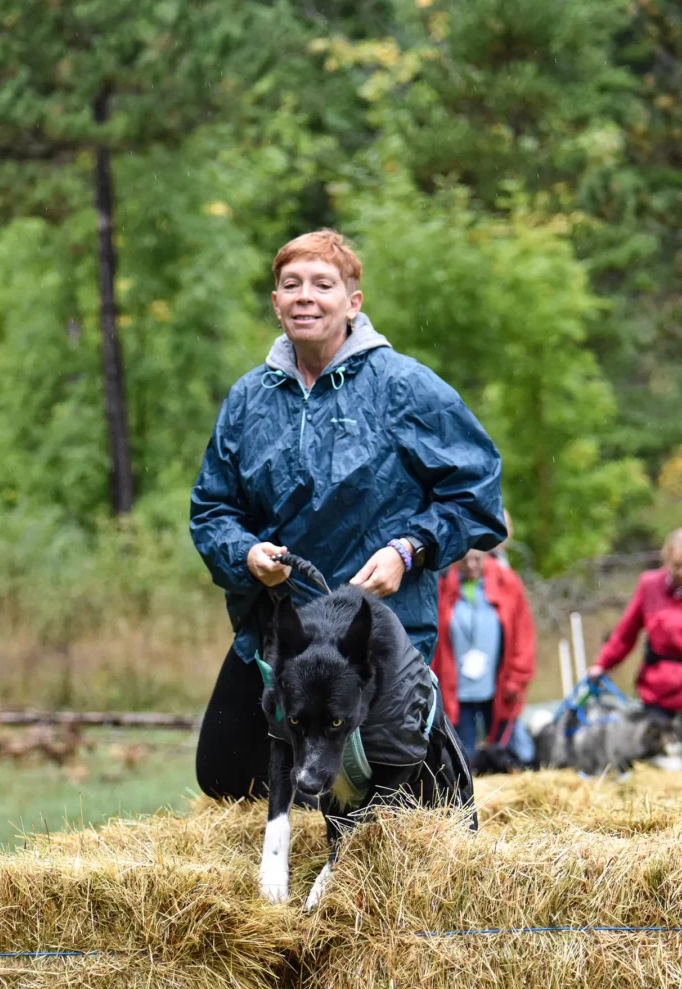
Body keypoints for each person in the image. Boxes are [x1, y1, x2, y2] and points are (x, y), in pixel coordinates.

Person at [190, 228, 505, 800]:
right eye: (291, 285)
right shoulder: (247, 399)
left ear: (353, 302)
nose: (305, 297)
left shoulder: (404, 386)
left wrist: (408, 550)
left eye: (322, 284)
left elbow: (477, 492)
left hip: (378, 634)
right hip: (284, 634)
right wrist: (246, 554)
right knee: (224, 773)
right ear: (276, 303)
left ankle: (408, 786)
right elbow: (213, 509)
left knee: (399, 803)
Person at [431, 549, 535, 761]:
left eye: (477, 559)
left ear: (487, 555)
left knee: (509, 754)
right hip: (458, 694)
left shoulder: (507, 582)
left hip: (499, 690)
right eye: (464, 560)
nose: (471, 566)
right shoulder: (442, 586)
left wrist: (518, 678)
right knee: (463, 756)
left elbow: (523, 634)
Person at [588, 528, 682, 718]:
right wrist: (602, 664)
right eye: (677, 566)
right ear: (666, 560)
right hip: (658, 693)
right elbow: (625, 633)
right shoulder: (649, 585)